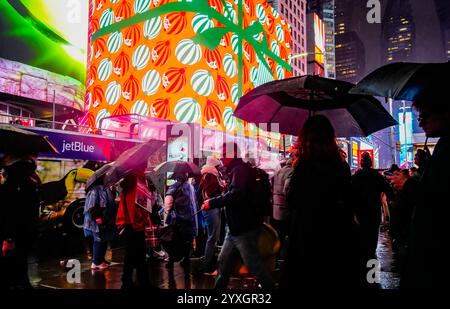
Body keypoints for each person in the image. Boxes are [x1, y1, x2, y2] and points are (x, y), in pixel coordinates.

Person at [282, 115, 361, 288]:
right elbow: (349, 201)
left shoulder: (303, 166)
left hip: (306, 235)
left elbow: (293, 200)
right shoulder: (340, 165)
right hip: (336, 235)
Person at [387, 93, 450, 288]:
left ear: (444, 112)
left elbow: (438, 199)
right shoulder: (443, 144)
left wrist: (408, 183)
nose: (420, 123)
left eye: (424, 116)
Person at [202, 142, 275, 289]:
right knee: (223, 263)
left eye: (224, 153)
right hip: (235, 228)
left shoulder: (239, 170)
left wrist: (212, 202)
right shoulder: (236, 170)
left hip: (243, 228)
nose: (221, 157)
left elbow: (236, 195)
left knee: (254, 266)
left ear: (233, 153)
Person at [0, 153, 41, 289]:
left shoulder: (10, 186)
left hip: (14, 235)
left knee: (11, 267)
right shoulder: (31, 183)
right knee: (21, 264)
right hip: (26, 234)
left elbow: (10, 214)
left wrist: (8, 238)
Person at [352, 152, 393, 263]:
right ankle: (371, 254)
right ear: (370, 163)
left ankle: (364, 255)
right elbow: (387, 189)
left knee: (363, 231)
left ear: (361, 163)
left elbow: (350, 192)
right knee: (373, 232)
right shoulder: (377, 176)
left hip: (360, 210)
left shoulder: (357, 176)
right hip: (374, 209)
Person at [116, 172, 150, 289]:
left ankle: (134, 281)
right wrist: (139, 223)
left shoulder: (136, 183)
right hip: (133, 226)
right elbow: (132, 209)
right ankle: (130, 282)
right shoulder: (134, 184)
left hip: (133, 225)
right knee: (135, 256)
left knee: (135, 256)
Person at [163, 172, 198, 269]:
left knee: (173, 240)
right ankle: (186, 259)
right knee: (187, 240)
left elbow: (168, 201)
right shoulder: (191, 187)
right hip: (190, 218)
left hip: (177, 219)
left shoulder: (175, 186)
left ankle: (171, 262)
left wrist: (167, 214)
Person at [83, 176, 117, 270]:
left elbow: (109, 200)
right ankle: (96, 262)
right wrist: (98, 218)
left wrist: (113, 190)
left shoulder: (104, 188)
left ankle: (101, 259)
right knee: (98, 240)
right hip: (96, 221)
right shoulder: (95, 190)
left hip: (105, 219)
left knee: (104, 239)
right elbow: (92, 207)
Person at [198, 156, 224, 274]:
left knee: (212, 237)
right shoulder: (210, 176)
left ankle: (209, 265)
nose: (219, 168)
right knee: (212, 238)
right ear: (214, 166)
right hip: (211, 209)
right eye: (218, 166)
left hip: (210, 209)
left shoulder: (209, 175)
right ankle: (208, 267)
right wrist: (222, 188)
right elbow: (212, 192)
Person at [271, 157, 294, 260]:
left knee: (278, 237)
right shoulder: (291, 172)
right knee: (289, 237)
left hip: (277, 211)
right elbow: (288, 190)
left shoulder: (279, 171)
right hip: (286, 210)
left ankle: (274, 260)